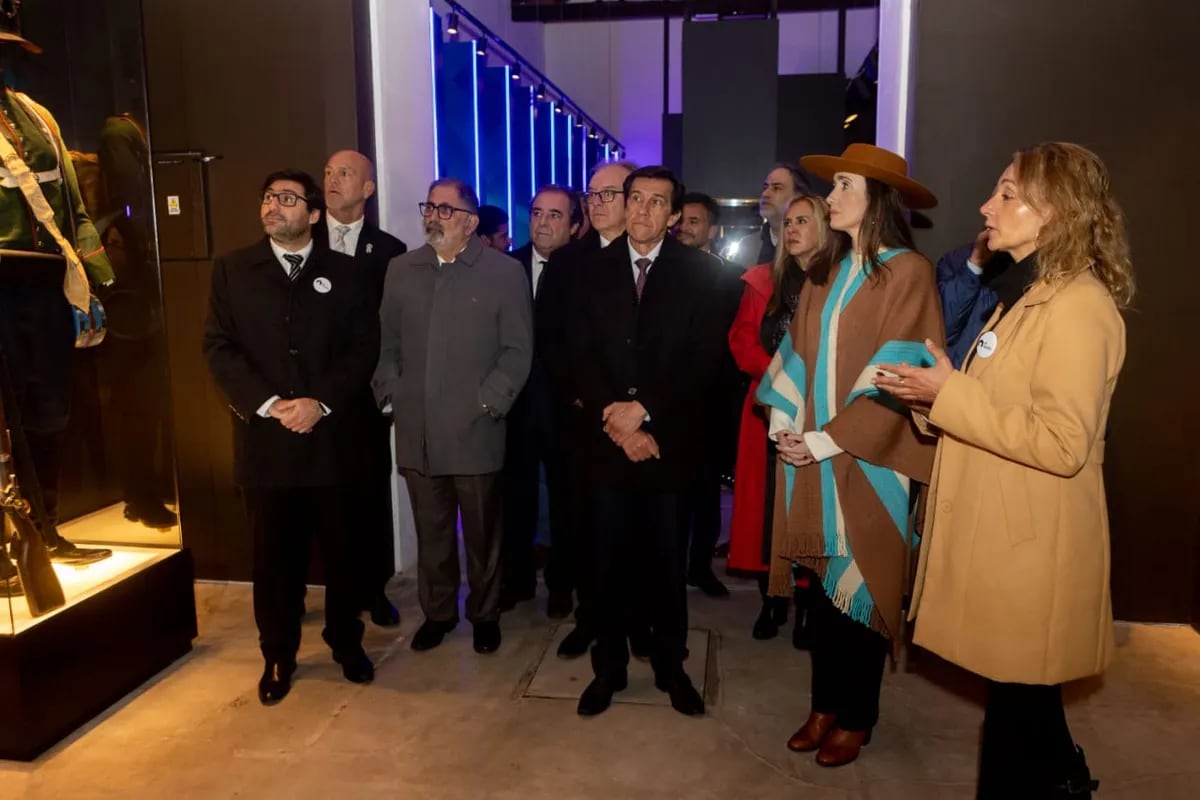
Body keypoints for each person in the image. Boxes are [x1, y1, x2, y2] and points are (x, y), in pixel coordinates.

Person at [878, 142, 1133, 799]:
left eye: (1008, 194)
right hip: (1007, 536)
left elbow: (1060, 441)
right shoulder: (1022, 295)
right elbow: (991, 406)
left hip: (1031, 546)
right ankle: (1066, 777)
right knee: (1022, 700)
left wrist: (948, 395)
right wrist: (929, 401)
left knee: (1016, 718)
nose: (987, 207)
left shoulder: (1077, 305)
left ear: (1057, 212)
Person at [757, 144, 941, 767]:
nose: (829, 197)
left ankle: (857, 715)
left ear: (876, 199)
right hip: (816, 458)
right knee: (822, 595)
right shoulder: (826, 272)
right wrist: (785, 421)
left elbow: (901, 375)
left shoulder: (908, 272)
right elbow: (796, 357)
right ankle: (824, 704)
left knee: (862, 593)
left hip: (871, 463)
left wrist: (823, 440)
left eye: (842, 186)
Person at [203, 169, 379, 705]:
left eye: (285, 199)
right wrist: (272, 405)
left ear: (314, 214)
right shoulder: (233, 269)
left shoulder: (346, 273)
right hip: (267, 445)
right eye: (267, 199)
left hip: (331, 443)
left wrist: (318, 403)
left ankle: (346, 642)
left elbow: (361, 349)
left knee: (343, 554)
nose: (272, 208)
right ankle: (277, 653)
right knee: (273, 560)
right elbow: (218, 348)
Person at [569, 166, 724, 717]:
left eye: (657, 203)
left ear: (675, 216)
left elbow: (704, 362)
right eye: (635, 199)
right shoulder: (588, 271)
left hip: (669, 446)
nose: (641, 210)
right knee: (605, 564)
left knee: (665, 566)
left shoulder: (704, 275)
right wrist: (618, 420)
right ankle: (607, 669)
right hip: (607, 444)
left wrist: (645, 412)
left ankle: (670, 667)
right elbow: (576, 356)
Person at [374, 178, 532, 656]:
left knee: (484, 535)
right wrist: (391, 395)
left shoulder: (503, 272)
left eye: (445, 209)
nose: (433, 216)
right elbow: (387, 344)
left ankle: (485, 614)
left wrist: (489, 404)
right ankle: (439, 613)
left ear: (470, 220)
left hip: (477, 431)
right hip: (418, 430)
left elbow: (517, 350)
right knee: (433, 530)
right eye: (429, 206)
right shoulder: (402, 269)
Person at [0, 13, 114, 570]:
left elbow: (70, 201)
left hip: (43, 283)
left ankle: (43, 529)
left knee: (50, 411)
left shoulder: (37, 117)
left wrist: (92, 271)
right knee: (5, 417)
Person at [537, 160, 637, 660]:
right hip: (578, 418)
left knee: (632, 527)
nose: (597, 203)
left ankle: (636, 619)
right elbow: (550, 340)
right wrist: (587, 399)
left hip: (638, 421)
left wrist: (630, 408)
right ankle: (589, 617)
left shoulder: (650, 260)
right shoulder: (565, 262)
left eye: (609, 194)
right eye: (591, 195)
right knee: (579, 522)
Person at [727, 193, 829, 639]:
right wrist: (778, 377)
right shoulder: (760, 280)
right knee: (769, 509)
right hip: (765, 407)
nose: (791, 229)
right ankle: (773, 601)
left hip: (820, 412)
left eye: (803, 220)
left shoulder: (842, 284)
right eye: (789, 221)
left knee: (809, 507)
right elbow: (741, 340)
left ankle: (809, 603)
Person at [317, 149, 407, 628]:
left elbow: (393, 329)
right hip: (313, 397)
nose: (333, 179)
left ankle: (373, 590)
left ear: (368, 189)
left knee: (370, 496)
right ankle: (334, 593)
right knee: (320, 498)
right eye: (328, 172)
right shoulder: (302, 242)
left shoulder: (390, 252)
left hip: (368, 398)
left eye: (345, 173)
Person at [501, 184, 580, 617]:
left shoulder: (586, 270)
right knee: (515, 499)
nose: (543, 223)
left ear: (574, 223)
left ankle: (562, 583)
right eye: (536, 213)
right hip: (514, 408)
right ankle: (517, 581)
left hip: (568, 410)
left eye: (555, 215)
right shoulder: (505, 267)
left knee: (567, 502)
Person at [673, 190, 737, 598]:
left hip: (713, 403)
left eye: (694, 221)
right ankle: (665, 569)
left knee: (706, 493)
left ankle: (699, 567)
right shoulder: (658, 273)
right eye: (682, 220)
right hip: (666, 404)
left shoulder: (734, 279)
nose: (684, 227)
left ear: (714, 230)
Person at [935, 229, 1011, 368]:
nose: (987, 209)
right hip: (952, 373)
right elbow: (944, 327)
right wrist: (975, 264)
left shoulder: (1046, 270)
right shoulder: (956, 260)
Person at [755, 163, 810, 265]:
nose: (765, 194)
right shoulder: (747, 245)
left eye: (777, 188)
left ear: (798, 197)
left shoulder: (814, 246)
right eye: (765, 187)